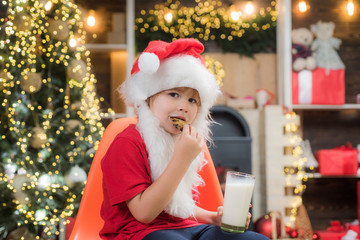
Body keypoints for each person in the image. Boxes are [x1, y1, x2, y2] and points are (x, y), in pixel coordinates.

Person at [100, 38, 269, 240]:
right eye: (174, 94)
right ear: (149, 97)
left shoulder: (181, 140)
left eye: (192, 100)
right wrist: (181, 159)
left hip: (186, 228)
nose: (184, 106)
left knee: (256, 239)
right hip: (137, 233)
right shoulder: (127, 142)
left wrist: (213, 218)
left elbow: (176, 206)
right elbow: (144, 214)